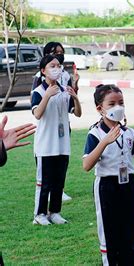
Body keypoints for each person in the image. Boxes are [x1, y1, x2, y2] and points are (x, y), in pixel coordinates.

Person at [82, 84, 134, 265]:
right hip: (107, 186)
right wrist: (104, 142)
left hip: (128, 185)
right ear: (100, 109)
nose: (118, 107)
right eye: (112, 104)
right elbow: (87, 165)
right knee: (109, 232)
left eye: (121, 103)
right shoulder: (95, 133)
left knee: (129, 232)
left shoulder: (129, 132)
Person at [31, 55, 82, 225]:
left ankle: (55, 212)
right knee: (44, 183)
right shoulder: (38, 92)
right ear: (43, 70)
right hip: (45, 145)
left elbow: (77, 113)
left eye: (59, 65)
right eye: (52, 65)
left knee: (59, 181)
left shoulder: (64, 90)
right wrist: (47, 95)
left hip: (62, 144)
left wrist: (75, 97)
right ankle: (39, 215)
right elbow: (37, 114)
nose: (56, 68)